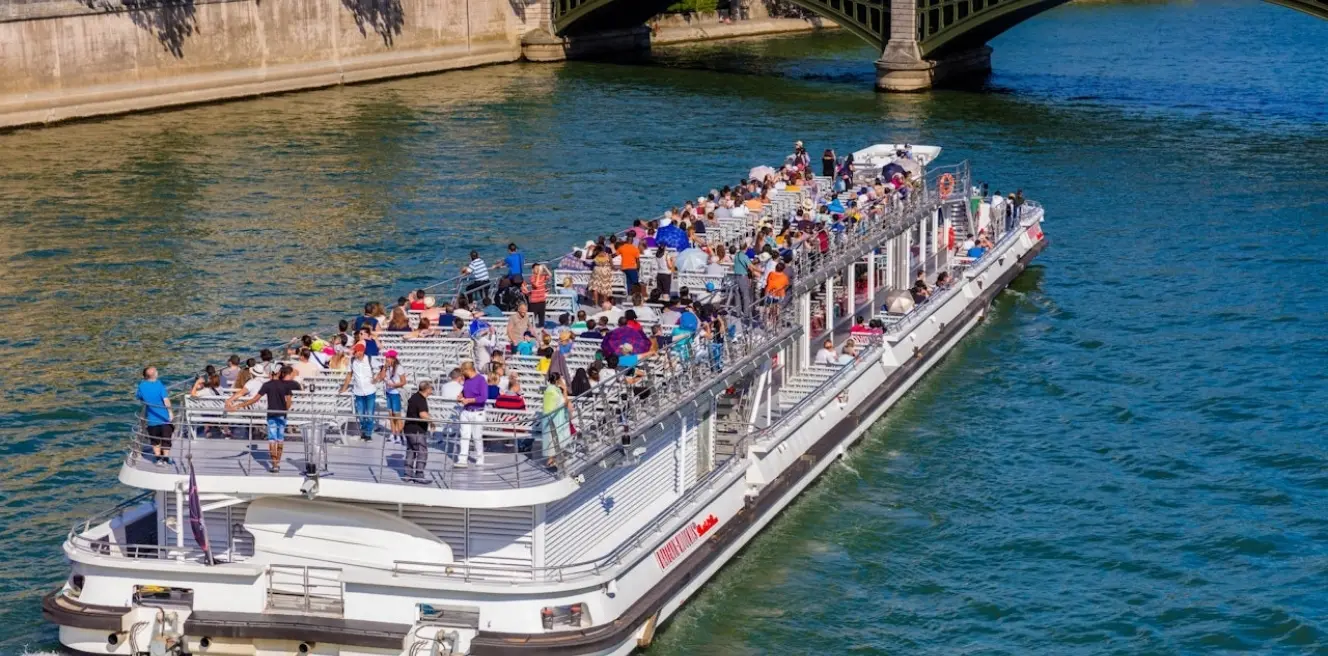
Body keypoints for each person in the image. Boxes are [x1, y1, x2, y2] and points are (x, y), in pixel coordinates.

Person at [230, 364, 301, 473]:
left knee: (272, 440)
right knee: (280, 439)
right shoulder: (285, 385)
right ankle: (278, 461)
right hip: (282, 415)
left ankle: (274, 465)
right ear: (279, 373)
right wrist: (284, 410)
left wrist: (239, 406)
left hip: (271, 414)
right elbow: (289, 401)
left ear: (269, 373)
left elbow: (254, 399)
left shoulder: (267, 385)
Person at [340, 343, 378, 441]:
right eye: (355, 352)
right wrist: (344, 388)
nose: (355, 353)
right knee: (360, 415)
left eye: (356, 352)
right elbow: (349, 375)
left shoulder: (370, 360)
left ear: (362, 351)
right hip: (358, 392)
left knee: (369, 414)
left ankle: (368, 434)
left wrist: (376, 379)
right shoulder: (352, 361)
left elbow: (381, 369)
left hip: (370, 391)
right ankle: (364, 431)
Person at [136, 366, 173, 465]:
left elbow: (139, 396)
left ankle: (157, 459)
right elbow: (166, 400)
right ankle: (166, 459)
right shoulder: (159, 384)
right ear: (154, 375)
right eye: (156, 371)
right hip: (164, 418)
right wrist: (170, 412)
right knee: (166, 439)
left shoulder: (141, 386)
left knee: (155, 440)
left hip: (152, 420)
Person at [455, 361, 488, 467]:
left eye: (463, 371)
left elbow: (483, 397)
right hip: (466, 411)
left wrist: (469, 400)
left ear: (468, 370)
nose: (462, 374)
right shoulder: (467, 380)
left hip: (477, 412)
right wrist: (461, 395)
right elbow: (466, 390)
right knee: (464, 436)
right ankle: (462, 459)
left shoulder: (481, 380)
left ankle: (480, 457)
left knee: (477, 436)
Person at [539, 371, 571, 468]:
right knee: (554, 439)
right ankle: (552, 461)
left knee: (551, 439)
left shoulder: (550, 389)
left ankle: (552, 460)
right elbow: (565, 402)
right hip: (554, 418)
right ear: (557, 380)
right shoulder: (553, 391)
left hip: (549, 417)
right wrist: (565, 389)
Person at [403, 380, 433, 483]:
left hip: (409, 428)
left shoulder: (414, 397)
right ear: (427, 389)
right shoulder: (420, 399)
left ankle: (408, 474)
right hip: (416, 430)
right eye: (431, 388)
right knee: (422, 452)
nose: (432, 390)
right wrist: (432, 422)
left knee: (411, 451)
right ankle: (419, 475)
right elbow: (423, 414)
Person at [376, 350, 408, 443]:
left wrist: (394, 385)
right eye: (386, 357)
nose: (387, 359)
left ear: (393, 358)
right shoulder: (387, 367)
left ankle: (400, 434)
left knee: (396, 414)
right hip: (389, 393)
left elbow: (403, 381)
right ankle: (393, 434)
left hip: (396, 393)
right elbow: (381, 377)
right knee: (390, 415)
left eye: (389, 357)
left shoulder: (399, 368)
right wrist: (384, 368)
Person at [526, 263, 551, 328]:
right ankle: (530, 330)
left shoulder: (542, 276)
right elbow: (536, 285)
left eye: (538, 268)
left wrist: (545, 268)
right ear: (533, 270)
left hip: (542, 300)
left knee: (541, 317)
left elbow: (550, 275)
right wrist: (539, 274)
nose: (537, 270)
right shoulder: (532, 277)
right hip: (534, 301)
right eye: (536, 269)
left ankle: (541, 327)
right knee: (532, 318)